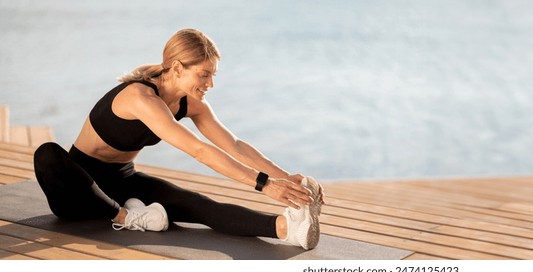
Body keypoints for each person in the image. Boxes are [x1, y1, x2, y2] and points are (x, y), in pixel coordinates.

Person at [32, 28, 323, 250]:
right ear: (178, 68)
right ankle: (127, 217)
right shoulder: (140, 98)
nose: (210, 84)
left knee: (195, 203)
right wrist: (264, 185)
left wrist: (286, 179)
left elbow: (233, 145)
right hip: (80, 190)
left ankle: (288, 229)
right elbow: (199, 150)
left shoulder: (190, 102)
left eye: (213, 75)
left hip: (123, 180)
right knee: (47, 153)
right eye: (205, 75)